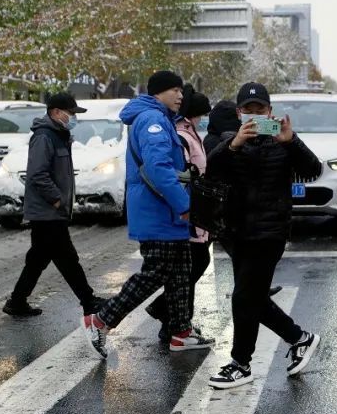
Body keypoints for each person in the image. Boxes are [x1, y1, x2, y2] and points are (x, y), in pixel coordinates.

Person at [80, 71, 214, 359]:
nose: (180, 96)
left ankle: (181, 332)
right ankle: (101, 320)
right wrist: (185, 206)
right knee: (154, 274)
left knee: (180, 272)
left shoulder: (161, 118)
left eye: (181, 90)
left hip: (168, 213)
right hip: (159, 212)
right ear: (158, 92)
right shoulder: (152, 120)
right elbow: (159, 168)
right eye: (174, 90)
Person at [204, 83, 323, 389]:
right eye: (249, 111)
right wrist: (233, 145)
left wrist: (291, 140)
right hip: (236, 232)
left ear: (270, 112)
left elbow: (313, 170)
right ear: (238, 113)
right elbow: (212, 172)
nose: (255, 116)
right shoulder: (230, 142)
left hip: (270, 233)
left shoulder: (283, 143)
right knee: (252, 297)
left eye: (260, 111)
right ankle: (300, 338)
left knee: (244, 297)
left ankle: (241, 363)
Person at [3, 92, 104, 318]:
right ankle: (88, 301)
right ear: (56, 112)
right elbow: (37, 174)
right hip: (47, 211)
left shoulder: (59, 135)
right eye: (70, 113)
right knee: (67, 258)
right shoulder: (44, 137)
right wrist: (56, 198)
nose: (73, 118)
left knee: (38, 259)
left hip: (51, 211)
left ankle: (17, 301)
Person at [145, 86, 213, 343]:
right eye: (203, 114)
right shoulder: (181, 134)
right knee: (188, 267)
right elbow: (178, 173)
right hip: (187, 209)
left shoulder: (192, 132)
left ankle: (176, 321)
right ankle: (170, 318)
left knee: (192, 266)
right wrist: (184, 206)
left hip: (196, 207)